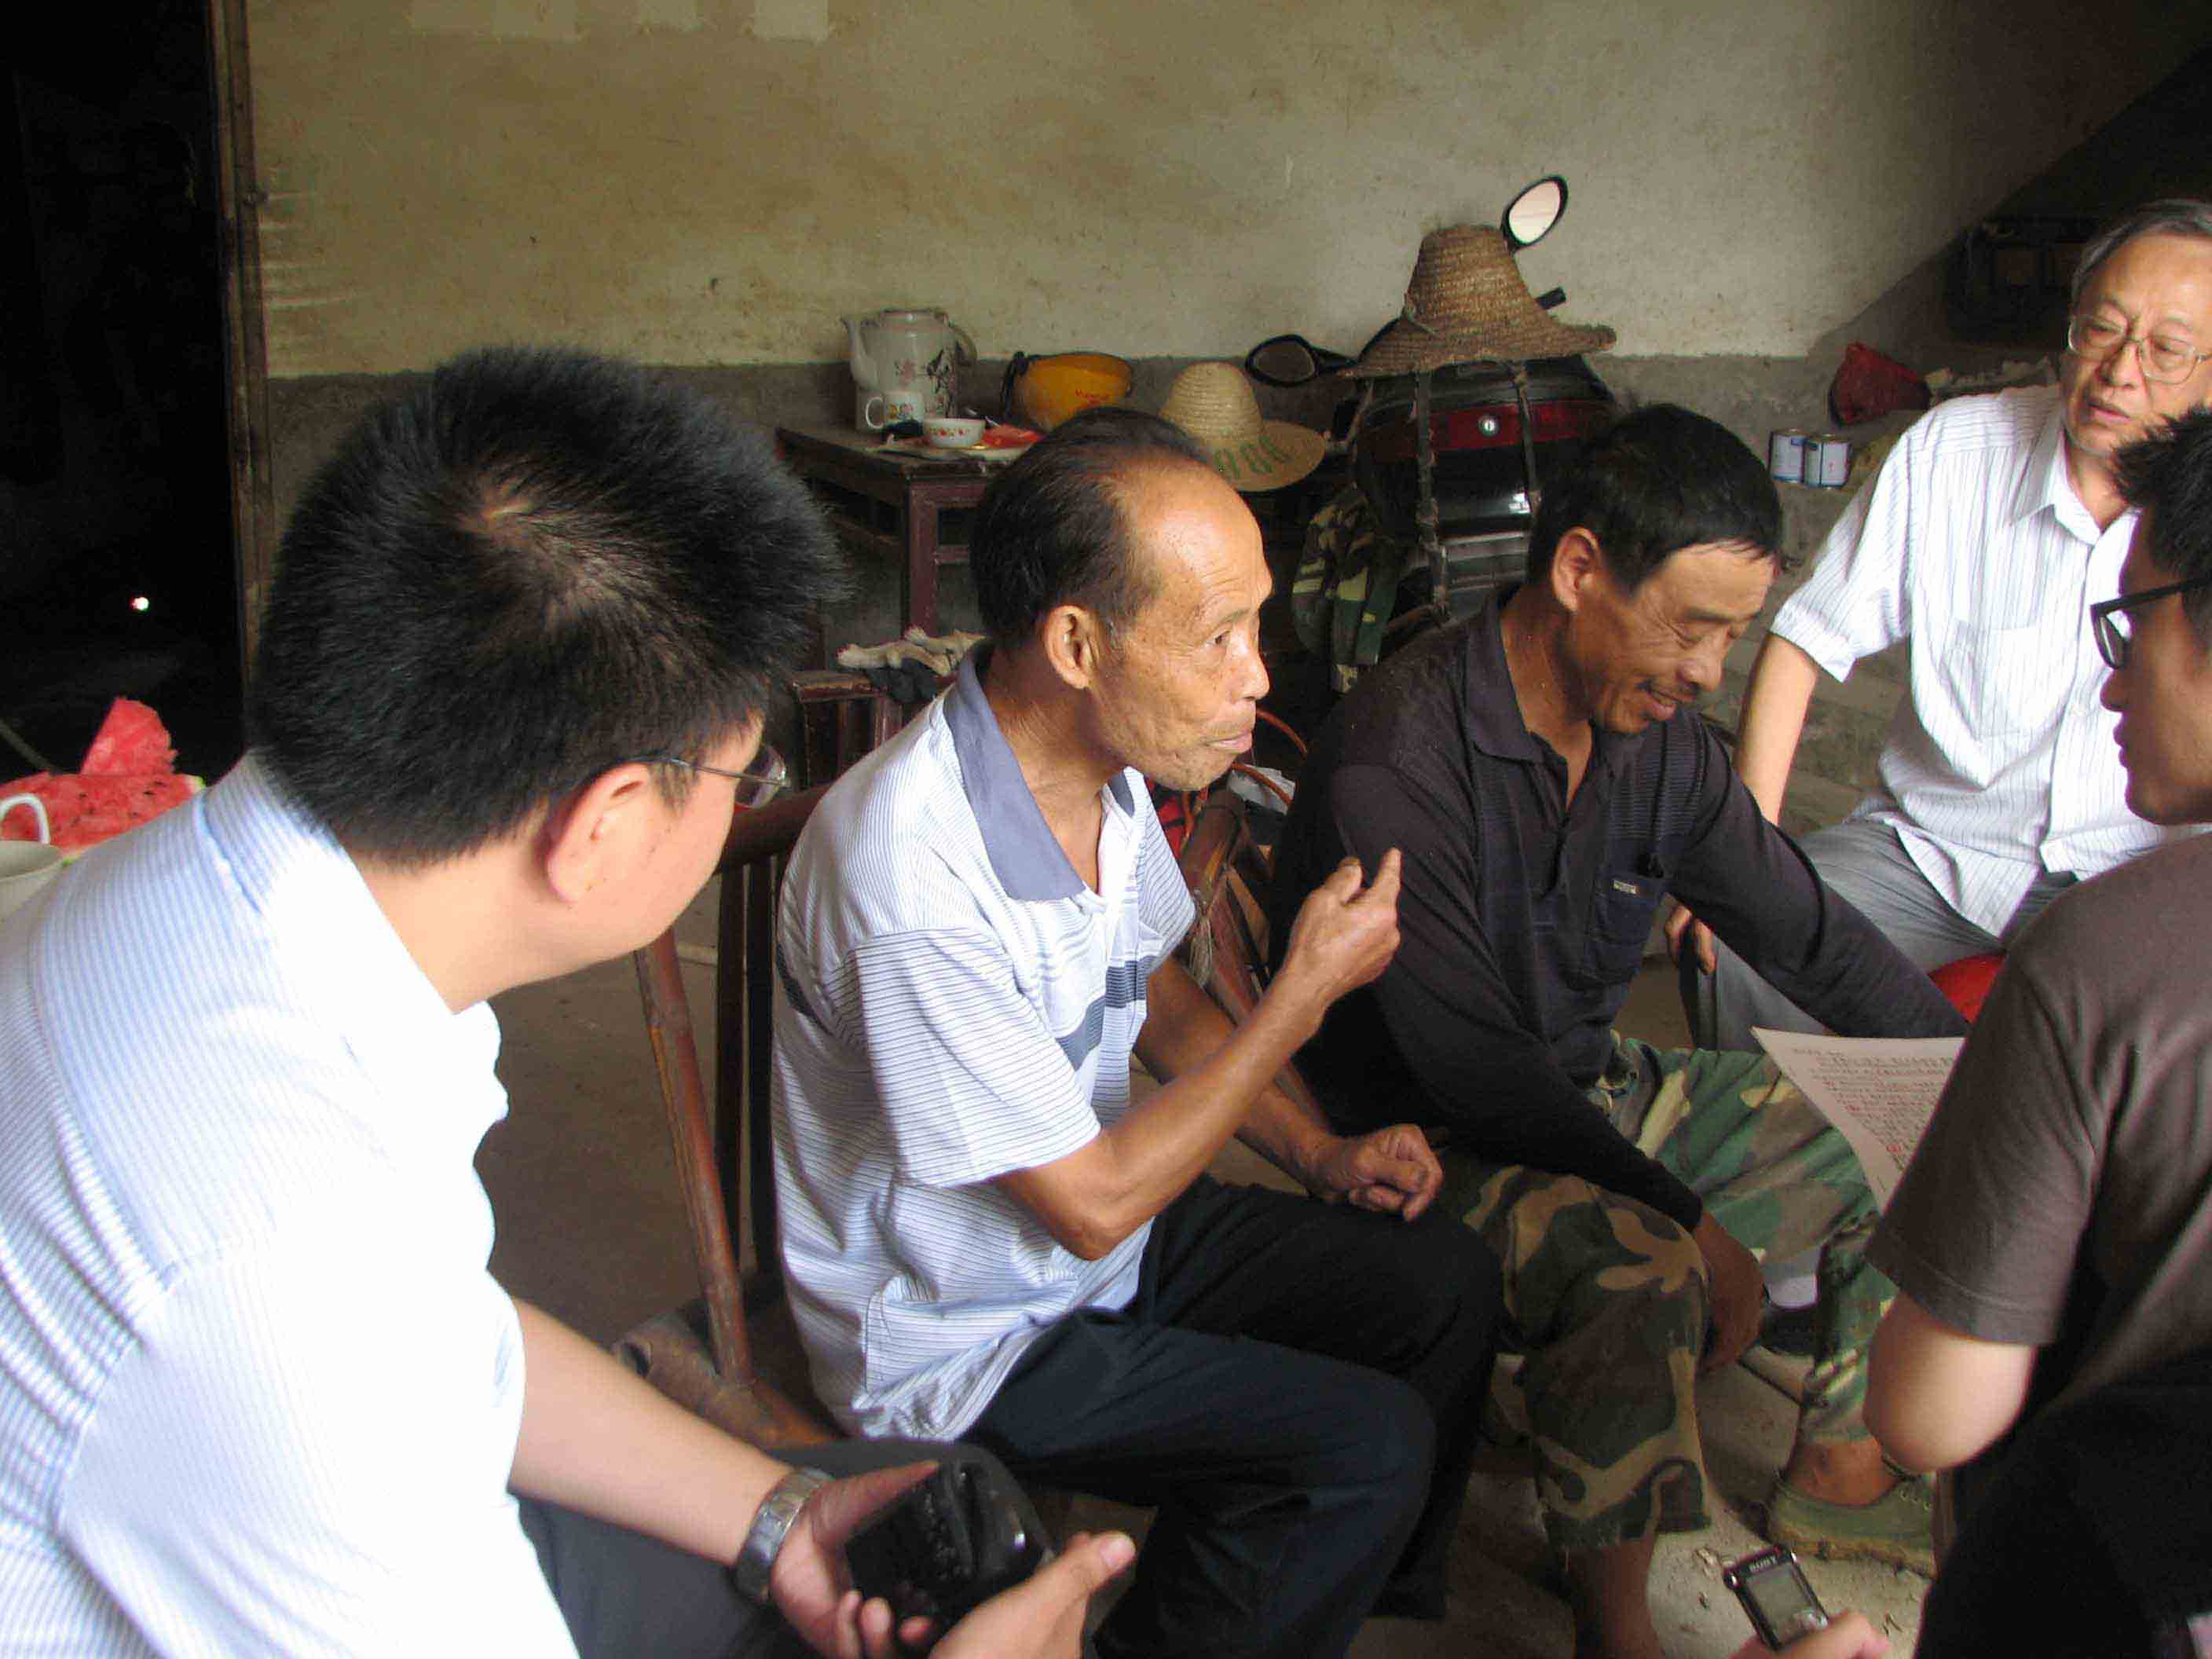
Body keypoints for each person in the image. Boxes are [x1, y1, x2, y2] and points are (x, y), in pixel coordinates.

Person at [0, 345, 1132, 1658]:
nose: (748, 797)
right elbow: (340, 1319)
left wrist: (777, 1515)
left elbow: (445, 1327)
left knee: (908, 1499)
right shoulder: (275, 1265)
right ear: (603, 828)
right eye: (747, 771)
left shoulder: (222, 888)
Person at [770, 406, 1503, 1659]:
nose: (1257, 674)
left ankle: (1329, 1592)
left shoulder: (1100, 774)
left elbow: (1155, 994)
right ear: (1077, 643)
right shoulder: (913, 878)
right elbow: (1094, 1205)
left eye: (1255, 626)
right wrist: (1299, 998)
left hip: (1094, 1255)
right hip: (964, 1340)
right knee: (1360, 1446)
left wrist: (1320, 1154)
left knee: (1444, 1285)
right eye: (1218, 638)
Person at [1268, 405, 1968, 1659]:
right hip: (1424, 1144)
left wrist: (1978, 1081)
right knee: (1642, 1260)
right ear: (1580, 570)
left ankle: (1843, 1463)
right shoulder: (1400, 756)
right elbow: (1475, 1072)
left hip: (1591, 1089)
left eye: (1734, 635)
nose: (1710, 671)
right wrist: (1693, 1220)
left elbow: (1812, 937)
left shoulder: (1662, 750)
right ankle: (1618, 1628)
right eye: (1690, 627)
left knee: (1903, 1130)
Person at [1675, 199, 2212, 1053]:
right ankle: (1780, 1145)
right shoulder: (1953, 453)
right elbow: (1804, 641)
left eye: (2166, 350)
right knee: (1742, 940)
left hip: (2133, 872)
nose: (2118, 372)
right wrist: (1752, 853)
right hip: (1935, 856)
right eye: (2102, 330)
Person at [1862, 407, 2212, 1656]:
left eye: (2131, 625)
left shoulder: (2106, 955)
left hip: (2114, 1583)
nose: (2110, 678)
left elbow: (1931, 1417)